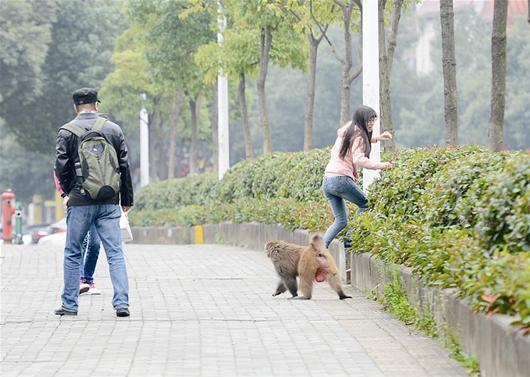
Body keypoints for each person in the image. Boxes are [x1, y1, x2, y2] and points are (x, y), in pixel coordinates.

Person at [54, 87, 133, 317]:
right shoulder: (113, 129)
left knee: (73, 251)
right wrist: (126, 199)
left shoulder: (66, 131)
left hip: (79, 202)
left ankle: (69, 305)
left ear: (75, 107)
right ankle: (121, 304)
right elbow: (125, 166)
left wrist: (70, 193)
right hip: (109, 200)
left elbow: (61, 167)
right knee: (115, 252)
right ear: (96, 105)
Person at [322, 105, 394, 248]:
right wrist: (382, 165)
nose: (372, 123)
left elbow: (358, 139)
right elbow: (359, 159)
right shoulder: (359, 135)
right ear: (362, 120)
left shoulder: (349, 129)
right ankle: (350, 239)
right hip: (341, 179)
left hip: (327, 181)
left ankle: (317, 251)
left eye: (373, 120)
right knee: (366, 204)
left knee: (341, 220)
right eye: (369, 121)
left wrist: (378, 138)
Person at [54, 173, 101, 295]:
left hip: (98, 201)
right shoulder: (68, 153)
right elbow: (58, 171)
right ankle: (80, 281)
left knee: (95, 243)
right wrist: (64, 194)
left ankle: (88, 279)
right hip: (77, 201)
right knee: (80, 242)